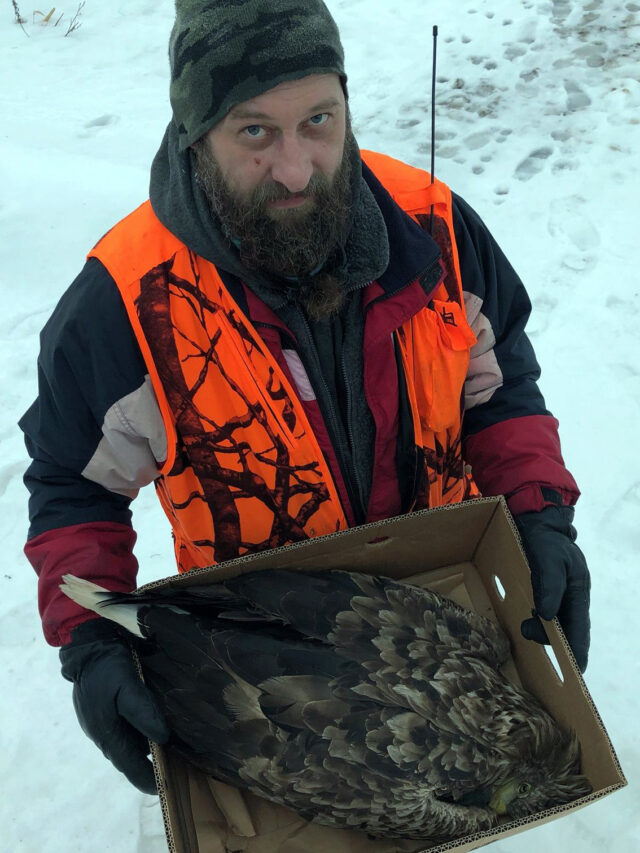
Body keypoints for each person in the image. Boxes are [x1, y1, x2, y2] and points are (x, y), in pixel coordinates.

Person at [19, 0, 591, 796]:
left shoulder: (435, 227)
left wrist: (536, 511)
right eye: (255, 131)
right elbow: (76, 487)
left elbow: (500, 389)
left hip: (440, 609)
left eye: (319, 119)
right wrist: (91, 641)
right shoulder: (125, 302)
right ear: (196, 133)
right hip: (267, 654)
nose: (296, 168)